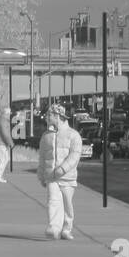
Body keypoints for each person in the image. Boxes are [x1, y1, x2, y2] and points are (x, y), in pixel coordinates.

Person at [37, 103, 82, 240]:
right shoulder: (46, 136)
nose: (47, 117)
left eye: (49, 115)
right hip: (51, 176)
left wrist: (62, 169)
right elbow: (42, 157)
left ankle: (66, 229)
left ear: (58, 116)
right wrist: (41, 174)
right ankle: (53, 227)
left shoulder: (73, 135)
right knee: (53, 200)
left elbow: (75, 155)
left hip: (67, 177)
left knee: (67, 204)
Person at [0, 105, 14, 182]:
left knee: (2, 160)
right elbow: (5, 133)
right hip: (1, 143)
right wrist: (10, 143)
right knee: (3, 160)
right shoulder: (3, 121)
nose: (10, 115)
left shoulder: (0, 119)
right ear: (6, 113)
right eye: (9, 114)